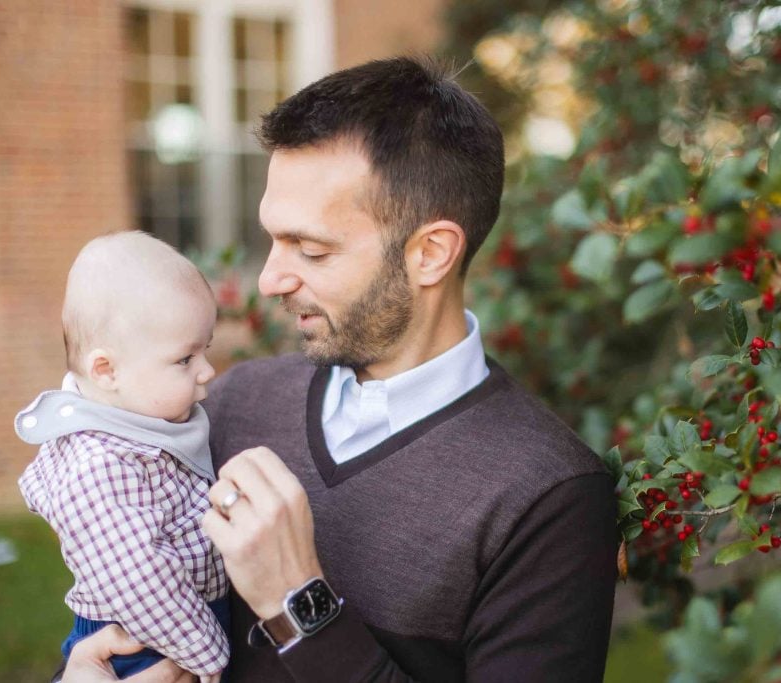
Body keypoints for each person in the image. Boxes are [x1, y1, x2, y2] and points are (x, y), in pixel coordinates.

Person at [62, 56, 617, 682]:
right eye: (272, 239)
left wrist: (299, 604)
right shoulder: (227, 406)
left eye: (312, 249)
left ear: (430, 253)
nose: (271, 279)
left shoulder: (549, 498)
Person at [17, 232, 229, 682]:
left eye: (204, 350)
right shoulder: (97, 466)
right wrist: (208, 657)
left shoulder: (140, 423)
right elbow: (139, 581)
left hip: (177, 622)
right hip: (147, 642)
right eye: (184, 359)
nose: (207, 370)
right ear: (107, 370)